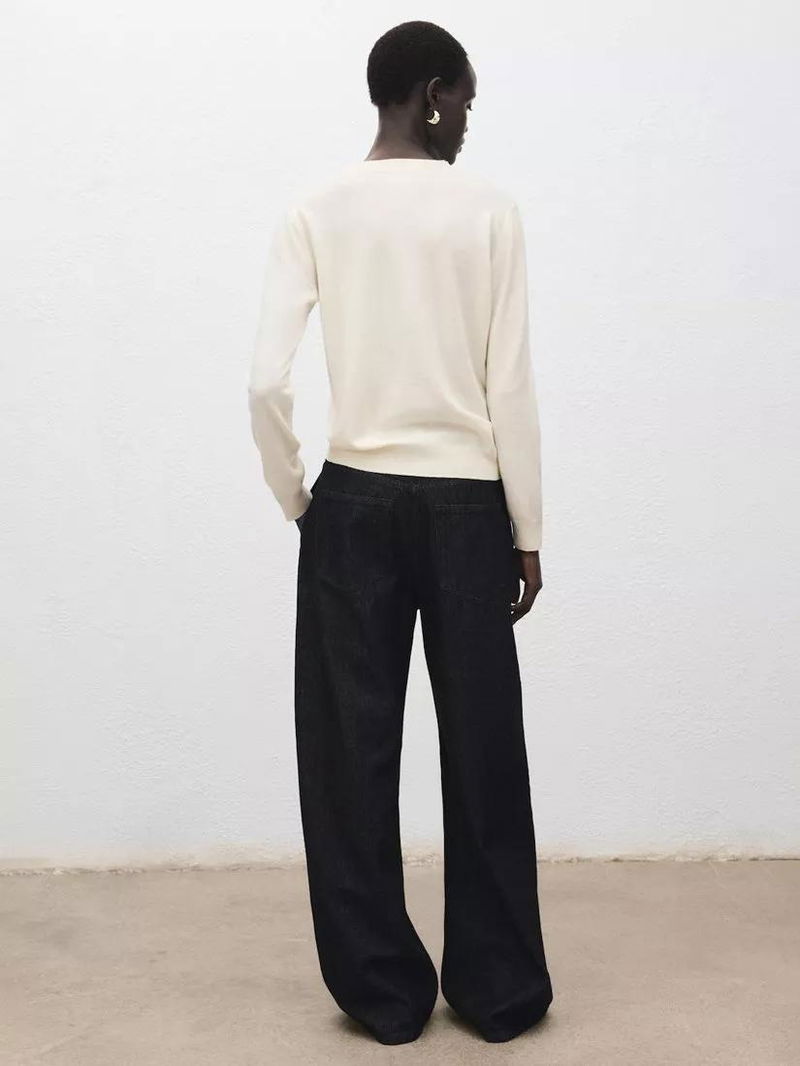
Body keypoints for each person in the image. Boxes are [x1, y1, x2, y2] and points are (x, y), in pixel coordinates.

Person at [247, 19, 553, 1046]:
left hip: (354, 504)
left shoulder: (316, 209)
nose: (465, 117)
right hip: (467, 506)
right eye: (462, 98)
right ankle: (498, 990)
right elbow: (508, 380)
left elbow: (263, 381)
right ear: (429, 94)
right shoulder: (489, 211)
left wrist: (299, 498)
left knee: (349, 757)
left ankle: (383, 993)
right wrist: (525, 526)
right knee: (484, 749)